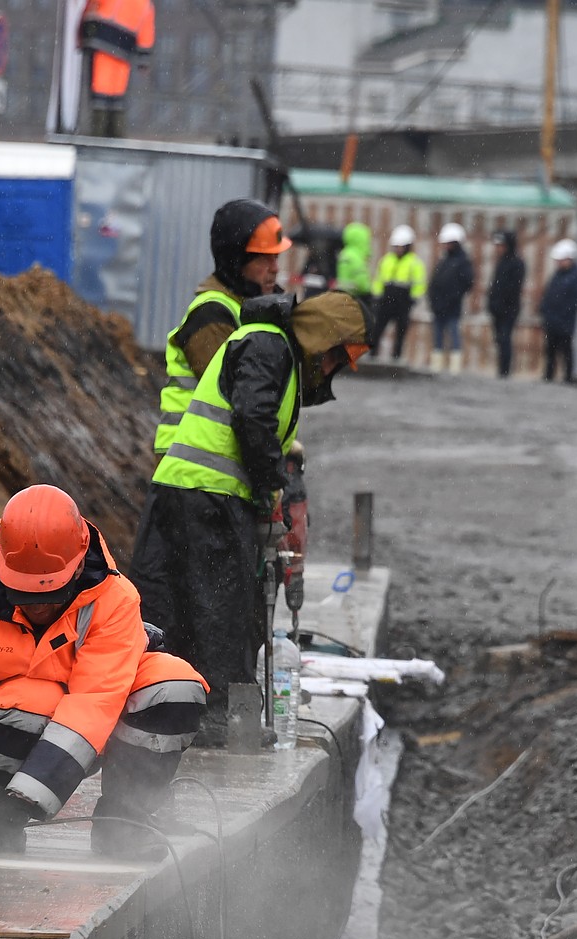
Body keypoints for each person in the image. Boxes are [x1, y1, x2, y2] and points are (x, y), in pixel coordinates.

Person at [0, 484, 207, 857]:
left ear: (76, 570)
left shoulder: (114, 600)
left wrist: (25, 802)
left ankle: (123, 825)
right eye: (25, 597)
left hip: (100, 725)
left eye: (49, 597)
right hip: (15, 719)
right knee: (25, 699)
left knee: (174, 686)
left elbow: (92, 705)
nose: (39, 609)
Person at [130, 290, 372, 747]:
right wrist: (269, 486)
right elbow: (253, 417)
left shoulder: (270, 348)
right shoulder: (268, 344)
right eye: (339, 356)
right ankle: (216, 715)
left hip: (192, 490)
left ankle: (177, 709)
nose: (334, 368)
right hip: (209, 495)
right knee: (220, 606)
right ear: (325, 339)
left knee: (183, 604)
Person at [156, 199, 292, 458]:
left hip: (207, 465)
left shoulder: (245, 311)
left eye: (276, 257)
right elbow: (242, 397)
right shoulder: (212, 314)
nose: (275, 268)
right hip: (187, 469)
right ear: (236, 261)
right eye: (264, 258)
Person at [78, 0, 154, 138]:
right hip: (124, 47)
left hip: (101, 38)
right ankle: (115, 134)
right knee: (116, 93)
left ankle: (99, 133)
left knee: (100, 90)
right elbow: (146, 30)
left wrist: (84, 33)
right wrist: (144, 58)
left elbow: (93, 6)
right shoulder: (145, 4)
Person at [370, 224, 427, 361]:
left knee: (401, 330)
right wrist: (377, 295)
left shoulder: (415, 263)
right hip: (387, 298)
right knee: (378, 327)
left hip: (403, 299)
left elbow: (419, 283)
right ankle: (372, 354)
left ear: (408, 246)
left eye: (401, 246)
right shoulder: (386, 260)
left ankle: (396, 357)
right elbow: (379, 279)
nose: (398, 249)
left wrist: (414, 298)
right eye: (396, 246)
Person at [427, 222, 475, 374]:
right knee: (438, 335)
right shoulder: (444, 261)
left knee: (454, 333)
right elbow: (434, 282)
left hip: (452, 306)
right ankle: (437, 364)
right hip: (439, 306)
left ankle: (455, 366)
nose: (445, 246)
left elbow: (466, 284)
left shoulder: (463, 262)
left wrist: (451, 298)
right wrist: (434, 299)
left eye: (448, 243)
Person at [538, 238, 577, 382]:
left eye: (561, 260)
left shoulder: (576, 277)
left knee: (566, 350)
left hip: (565, 321)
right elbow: (549, 295)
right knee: (550, 350)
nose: (558, 263)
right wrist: (545, 310)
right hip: (553, 320)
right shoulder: (558, 276)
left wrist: (563, 313)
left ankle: (568, 377)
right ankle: (549, 375)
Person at [487, 229, 526, 378]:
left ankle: (505, 371)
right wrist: (492, 303)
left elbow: (512, 288)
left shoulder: (517, 263)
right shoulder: (501, 262)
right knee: (499, 339)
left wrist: (502, 304)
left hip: (508, 309)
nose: (498, 249)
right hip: (497, 309)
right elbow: (495, 286)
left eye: (501, 245)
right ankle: (501, 369)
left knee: (505, 338)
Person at [335, 222, 372, 302]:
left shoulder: (344, 254)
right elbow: (362, 284)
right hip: (356, 298)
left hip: (342, 297)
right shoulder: (356, 257)